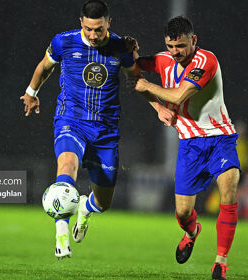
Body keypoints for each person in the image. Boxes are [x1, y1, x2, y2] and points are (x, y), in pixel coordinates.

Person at [20, 0, 174, 260]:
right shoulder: (63, 42)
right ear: (81, 22)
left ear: (108, 24)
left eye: (99, 30)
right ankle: (61, 233)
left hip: (105, 131)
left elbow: (137, 80)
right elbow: (44, 66)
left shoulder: (120, 48)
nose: (93, 35)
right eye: (89, 29)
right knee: (67, 165)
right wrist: (31, 93)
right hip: (71, 120)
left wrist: (158, 108)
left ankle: (85, 208)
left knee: (103, 202)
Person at [134, 16, 240, 280]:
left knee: (228, 195)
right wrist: (127, 52)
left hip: (220, 139)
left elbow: (180, 94)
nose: (175, 52)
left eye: (180, 46)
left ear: (193, 40)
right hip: (189, 145)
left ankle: (220, 263)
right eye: (170, 46)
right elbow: (132, 69)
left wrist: (147, 86)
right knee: (182, 212)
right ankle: (192, 233)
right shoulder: (164, 60)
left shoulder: (205, 61)